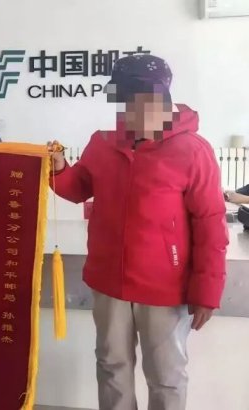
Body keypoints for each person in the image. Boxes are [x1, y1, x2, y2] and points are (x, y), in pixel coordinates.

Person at [49, 54, 228, 410]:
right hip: (109, 283)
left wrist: (207, 289)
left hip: (165, 289)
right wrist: (59, 169)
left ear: (163, 98)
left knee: (166, 377)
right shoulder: (102, 143)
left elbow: (211, 222)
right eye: (128, 100)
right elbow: (78, 187)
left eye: (145, 99)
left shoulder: (193, 150)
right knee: (111, 367)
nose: (135, 110)